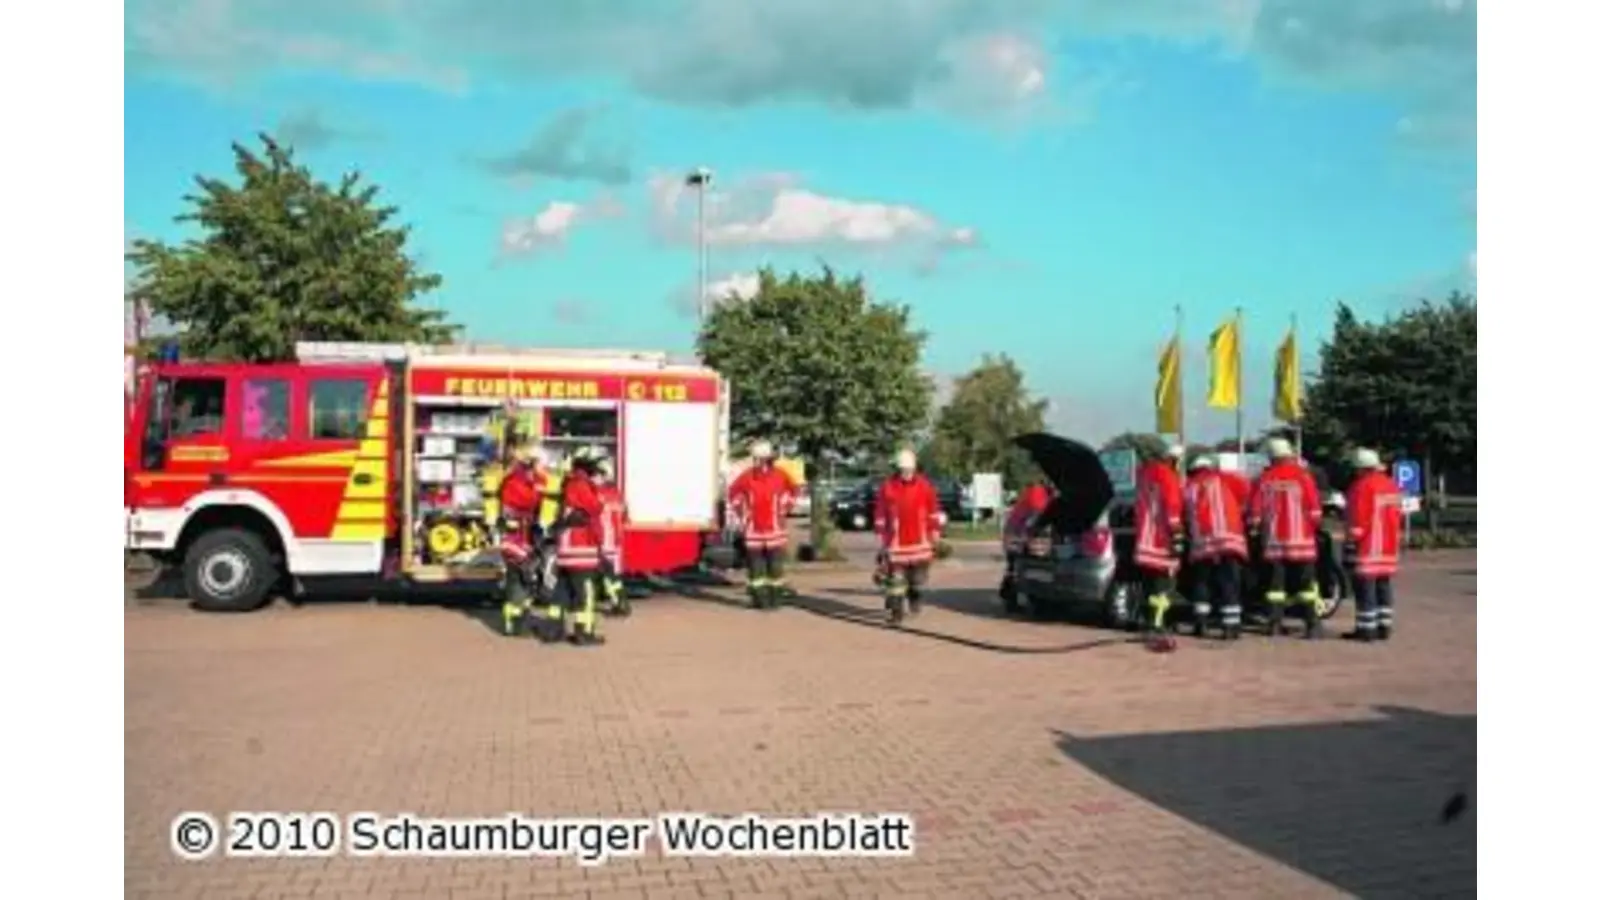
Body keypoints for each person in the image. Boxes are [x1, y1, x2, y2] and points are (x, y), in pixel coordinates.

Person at [1248, 436, 1324, 638]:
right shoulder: (1303, 477)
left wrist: (1256, 529)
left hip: (1274, 543)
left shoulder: (1265, 479)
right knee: (1306, 586)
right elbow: (1315, 511)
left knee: (1275, 587)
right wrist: (1312, 528)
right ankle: (1312, 624)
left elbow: (1255, 513)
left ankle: (1274, 624)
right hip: (1302, 542)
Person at [498, 442, 562, 639]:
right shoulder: (514, 482)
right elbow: (528, 500)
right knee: (517, 581)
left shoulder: (527, 479)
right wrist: (545, 490)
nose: (542, 467)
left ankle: (518, 619)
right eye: (538, 464)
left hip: (525, 539)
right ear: (529, 463)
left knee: (526, 581)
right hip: (514, 541)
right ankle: (512, 624)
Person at [726, 440, 798, 610]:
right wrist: (742, 513)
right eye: (757, 459)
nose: (759, 462)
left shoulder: (781, 475)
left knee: (775, 567)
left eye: (761, 458)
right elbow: (733, 493)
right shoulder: (747, 476)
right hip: (753, 530)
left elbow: (793, 491)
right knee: (756, 569)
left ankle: (775, 600)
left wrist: (784, 508)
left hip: (774, 529)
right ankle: (761, 600)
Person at [1183, 455, 1249, 640]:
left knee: (1202, 582)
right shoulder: (1223, 478)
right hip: (1228, 539)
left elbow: (1186, 515)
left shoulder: (1189, 487)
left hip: (1202, 542)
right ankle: (1230, 627)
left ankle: (1200, 623)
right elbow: (1245, 492)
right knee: (1229, 582)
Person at [875, 449, 942, 624]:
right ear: (898, 469)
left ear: (914, 468)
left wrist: (935, 531)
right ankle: (896, 613)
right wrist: (881, 534)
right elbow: (880, 512)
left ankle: (914, 595)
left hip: (920, 540)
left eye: (909, 469)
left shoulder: (925, 486)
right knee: (896, 580)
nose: (906, 473)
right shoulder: (888, 487)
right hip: (896, 542)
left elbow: (933, 510)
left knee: (916, 579)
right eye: (903, 469)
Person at [1343, 448, 1403, 642]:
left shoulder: (1361, 486)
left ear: (1361, 469)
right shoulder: (1391, 485)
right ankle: (1384, 626)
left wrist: (1351, 539)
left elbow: (1358, 517)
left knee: (1365, 587)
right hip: (1389, 544)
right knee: (1383, 584)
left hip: (1368, 546)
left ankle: (1366, 629)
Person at [552, 447, 606, 645]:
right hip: (580, 548)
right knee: (586, 594)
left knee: (563, 592)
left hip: (568, 547)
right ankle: (584, 634)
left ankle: (553, 631)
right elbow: (595, 507)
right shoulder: (581, 484)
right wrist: (599, 494)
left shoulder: (571, 482)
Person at [1133, 442, 1186, 636]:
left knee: (1149, 586)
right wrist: (1178, 536)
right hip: (1162, 541)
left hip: (1144, 541)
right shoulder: (1168, 476)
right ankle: (1158, 624)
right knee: (1164, 587)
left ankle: (1148, 622)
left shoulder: (1144, 474)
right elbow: (1172, 506)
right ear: (1175, 460)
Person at [999, 481, 1053, 601]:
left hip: (1011, 532)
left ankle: (1010, 597)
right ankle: (1028, 597)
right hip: (1021, 535)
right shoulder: (1039, 497)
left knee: (1013, 566)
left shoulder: (1028, 494)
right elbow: (1036, 519)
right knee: (1031, 567)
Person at [594, 457, 631, 618]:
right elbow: (624, 515)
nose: (593, 479)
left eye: (595, 476)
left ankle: (620, 603)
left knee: (608, 575)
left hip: (605, 540)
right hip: (617, 540)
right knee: (613, 575)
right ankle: (620, 602)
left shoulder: (599, 494)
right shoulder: (616, 494)